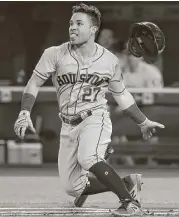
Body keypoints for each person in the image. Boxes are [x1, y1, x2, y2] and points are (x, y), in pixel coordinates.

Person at [14, 3, 165, 216]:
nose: (72, 27)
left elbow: (121, 95)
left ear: (93, 29)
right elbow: (34, 83)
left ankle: (130, 202)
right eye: (71, 23)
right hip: (67, 124)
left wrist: (142, 121)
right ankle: (128, 183)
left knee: (89, 158)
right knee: (72, 187)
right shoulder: (54, 54)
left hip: (95, 118)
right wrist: (24, 112)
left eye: (79, 23)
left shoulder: (109, 60)